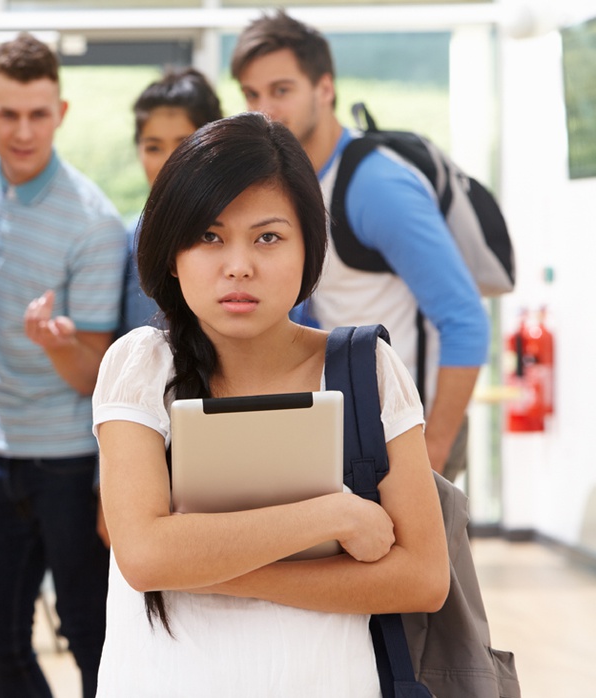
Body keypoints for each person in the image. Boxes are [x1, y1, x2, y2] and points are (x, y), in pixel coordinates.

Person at [92, 112, 449, 696]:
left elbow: (423, 578)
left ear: (309, 248)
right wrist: (332, 516)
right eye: (209, 236)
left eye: (268, 237)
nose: (239, 265)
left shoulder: (366, 370)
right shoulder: (141, 366)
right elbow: (147, 556)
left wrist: (206, 568)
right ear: (171, 251)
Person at [0, 32, 127, 698]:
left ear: (61, 114)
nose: (22, 131)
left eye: (38, 114)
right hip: (0, 455)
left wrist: (58, 343)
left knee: (92, 638)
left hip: (72, 464)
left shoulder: (93, 222)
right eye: (7, 114)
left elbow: (95, 376)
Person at [231, 10, 490, 481]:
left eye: (281, 90)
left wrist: (431, 452)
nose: (264, 109)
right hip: (349, 428)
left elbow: (465, 320)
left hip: (408, 431)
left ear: (324, 88)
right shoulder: (291, 182)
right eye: (251, 94)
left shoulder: (376, 186)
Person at [117, 67, 223, 338]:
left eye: (183, 145)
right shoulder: (128, 242)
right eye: (153, 147)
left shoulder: (250, 230)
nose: (168, 162)